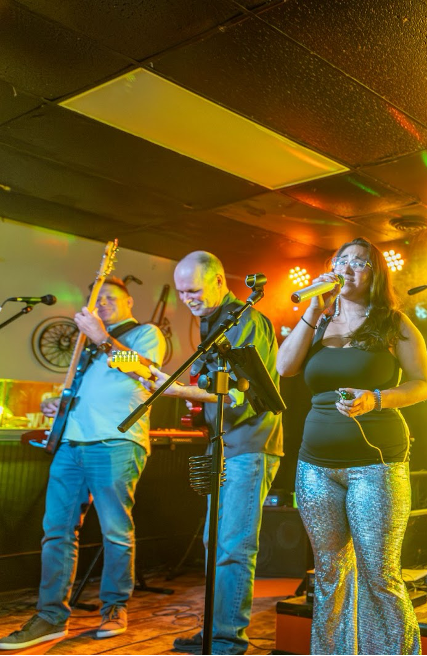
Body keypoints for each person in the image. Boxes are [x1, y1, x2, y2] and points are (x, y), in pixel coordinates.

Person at [276, 237, 427, 655]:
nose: (347, 268)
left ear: (375, 275)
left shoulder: (392, 322)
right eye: (340, 260)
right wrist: (312, 308)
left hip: (375, 465)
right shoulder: (319, 320)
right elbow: (284, 367)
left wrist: (376, 398)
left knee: (379, 574)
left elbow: (424, 385)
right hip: (315, 467)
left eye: (359, 262)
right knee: (328, 572)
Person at [0, 278, 165, 650]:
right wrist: (61, 406)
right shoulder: (86, 346)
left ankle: (115, 608)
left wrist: (102, 336)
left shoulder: (144, 333)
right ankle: (51, 616)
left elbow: (143, 371)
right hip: (71, 444)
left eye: (110, 298)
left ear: (129, 301)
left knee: (115, 531)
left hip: (117, 442)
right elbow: (88, 393)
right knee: (56, 531)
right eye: (97, 299)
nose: (102, 303)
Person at [144, 251, 282, 656]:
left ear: (220, 281)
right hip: (223, 444)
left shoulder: (246, 320)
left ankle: (227, 640)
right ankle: (214, 631)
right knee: (213, 541)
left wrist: (177, 390)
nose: (186, 298)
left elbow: (239, 392)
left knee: (234, 545)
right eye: (182, 292)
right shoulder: (214, 322)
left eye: (193, 290)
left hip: (250, 445)